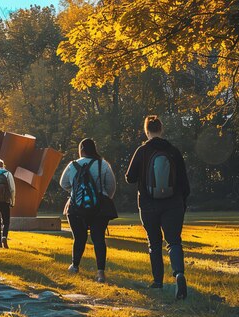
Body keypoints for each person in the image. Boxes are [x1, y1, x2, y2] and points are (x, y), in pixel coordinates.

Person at [126, 115, 190, 300]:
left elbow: (129, 177)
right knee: (174, 241)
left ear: (147, 131)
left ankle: (158, 281)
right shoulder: (173, 151)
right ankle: (179, 274)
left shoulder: (142, 150)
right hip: (173, 204)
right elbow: (184, 183)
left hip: (148, 205)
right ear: (161, 129)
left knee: (154, 243)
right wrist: (181, 202)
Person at [60, 138, 116, 283]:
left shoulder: (73, 165)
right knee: (99, 239)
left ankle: (75, 266)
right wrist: (103, 197)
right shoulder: (103, 164)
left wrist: (76, 192)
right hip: (99, 208)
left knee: (79, 238)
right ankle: (100, 273)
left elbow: (63, 183)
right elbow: (111, 185)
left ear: (81, 150)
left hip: (76, 207)